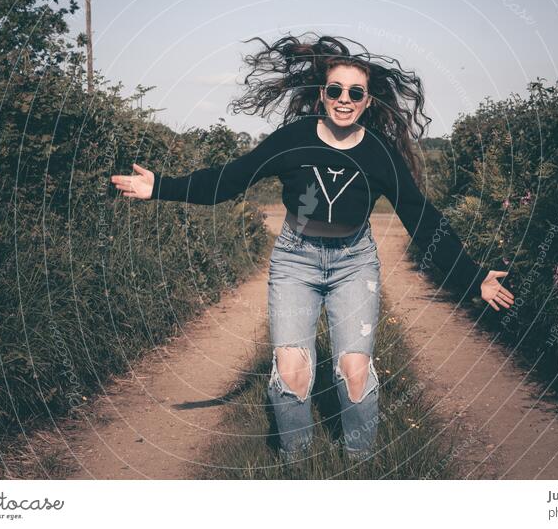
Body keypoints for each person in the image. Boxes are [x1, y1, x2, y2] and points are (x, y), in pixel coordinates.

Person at [110, 33, 514, 464]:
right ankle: (296, 464)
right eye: (335, 90)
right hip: (295, 260)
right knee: (292, 372)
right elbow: (230, 179)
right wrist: (161, 188)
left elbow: (421, 217)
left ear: (367, 101)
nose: (344, 99)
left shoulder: (379, 153)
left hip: (354, 264)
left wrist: (472, 277)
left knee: (355, 373)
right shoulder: (294, 139)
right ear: (322, 95)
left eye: (355, 92)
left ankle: (360, 463)